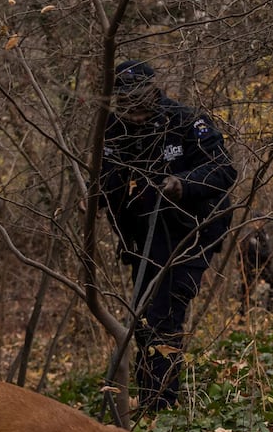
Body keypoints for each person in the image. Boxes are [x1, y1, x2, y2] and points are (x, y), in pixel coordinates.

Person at [101, 59, 237, 410]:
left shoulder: (185, 121)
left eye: (137, 100)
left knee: (165, 312)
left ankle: (161, 405)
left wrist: (184, 185)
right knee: (145, 315)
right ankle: (151, 396)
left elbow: (223, 169)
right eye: (124, 101)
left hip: (191, 232)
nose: (132, 110)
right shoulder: (112, 130)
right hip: (141, 239)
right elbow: (103, 182)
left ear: (152, 92)